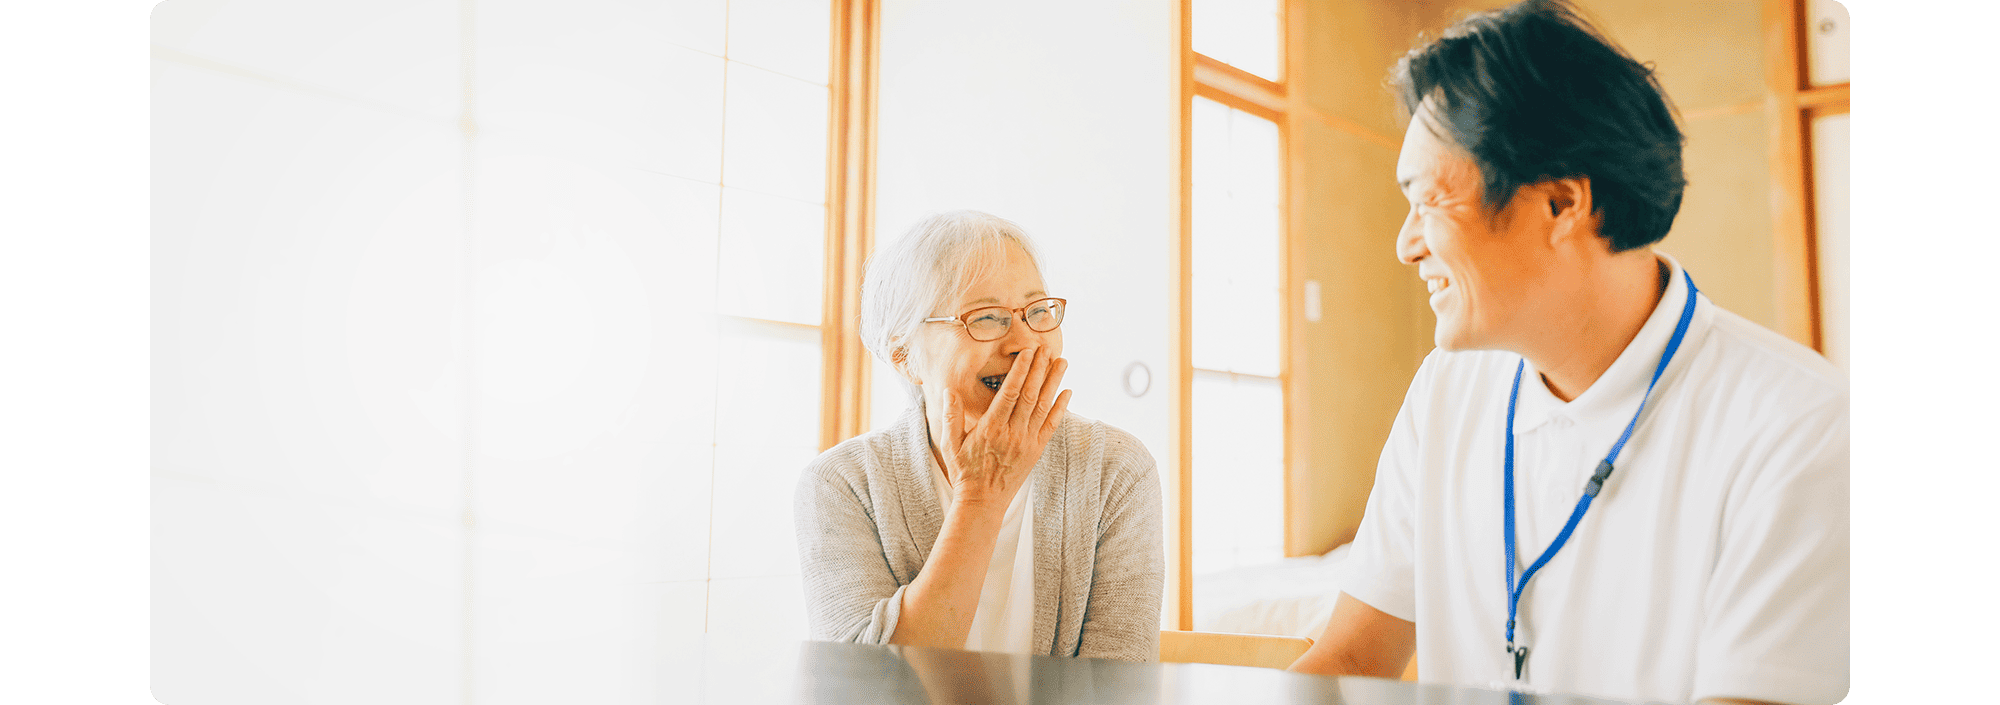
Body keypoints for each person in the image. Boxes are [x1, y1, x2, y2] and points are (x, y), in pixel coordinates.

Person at [1286, 3, 1848, 705]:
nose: (1406, 244)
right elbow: (1356, 657)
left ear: (1561, 202)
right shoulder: (1447, 391)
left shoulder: (1800, 427)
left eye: (1429, 201)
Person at [794, 210, 1163, 661]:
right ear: (903, 355)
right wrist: (981, 498)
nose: (1026, 343)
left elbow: (1117, 685)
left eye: (1038, 311)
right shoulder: (842, 484)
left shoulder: (1115, 469)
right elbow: (863, 683)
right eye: (986, 318)